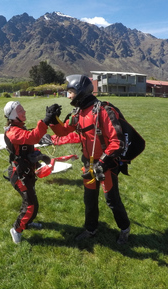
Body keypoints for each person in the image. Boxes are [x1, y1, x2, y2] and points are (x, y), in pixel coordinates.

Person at [49, 74, 131, 244]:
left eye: (70, 92)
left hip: (106, 165)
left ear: (80, 91)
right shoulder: (78, 112)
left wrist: (102, 163)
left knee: (112, 200)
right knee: (89, 199)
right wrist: (51, 120)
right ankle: (91, 229)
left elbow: (117, 142)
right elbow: (64, 131)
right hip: (88, 165)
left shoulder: (103, 110)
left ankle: (125, 229)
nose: (68, 96)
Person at [4, 101, 59, 244]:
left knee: (32, 202)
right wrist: (45, 121)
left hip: (27, 172)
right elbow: (32, 137)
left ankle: (27, 223)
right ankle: (16, 229)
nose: (25, 111)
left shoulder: (19, 129)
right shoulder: (13, 132)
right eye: (21, 110)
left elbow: (27, 146)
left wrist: (40, 156)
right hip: (19, 175)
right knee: (30, 205)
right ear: (14, 115)